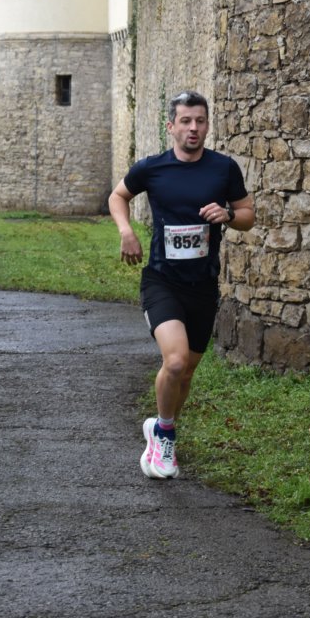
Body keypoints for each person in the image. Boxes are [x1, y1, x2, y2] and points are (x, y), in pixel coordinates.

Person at [107, 90, 255, 479]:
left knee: (185, 373)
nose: (194, 128)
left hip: (203, 286)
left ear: (207, 125)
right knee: (173, 362)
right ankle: (166, 437)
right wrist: (125, 231)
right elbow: (118, 196)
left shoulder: (223, 169)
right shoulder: (152, 168)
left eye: (200, 121)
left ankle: (160, 426)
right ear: (170, 126)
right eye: (186, 121)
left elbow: (248, 214)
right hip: (162, 281)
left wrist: (227, 214)